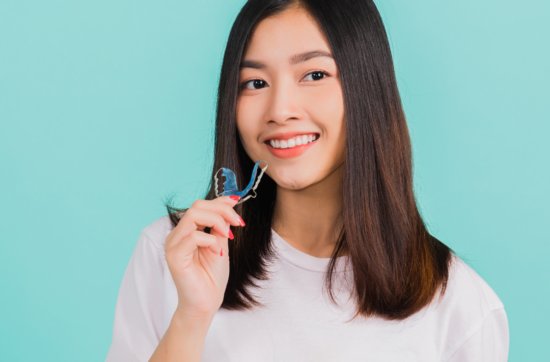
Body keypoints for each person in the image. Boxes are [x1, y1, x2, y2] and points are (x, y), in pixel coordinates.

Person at [105, 0, 509, 361]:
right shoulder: (173, 256)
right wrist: (191, 319)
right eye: (255, 83)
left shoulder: (461, 308)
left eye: (314, 74)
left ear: (367, 88)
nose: (280, 110)